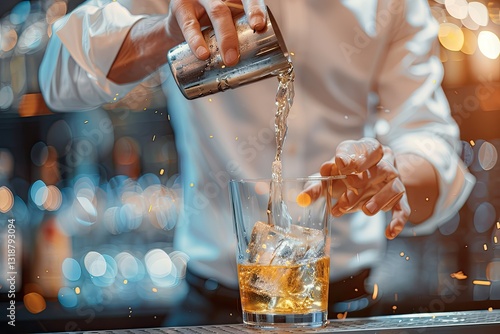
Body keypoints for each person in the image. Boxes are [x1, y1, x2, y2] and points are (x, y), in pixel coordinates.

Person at [39, 0, 475, 326]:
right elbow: (58, 77)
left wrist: (394, 170)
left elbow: (430, 138)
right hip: (212, 309)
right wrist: (169, 28)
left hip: (346, 306)